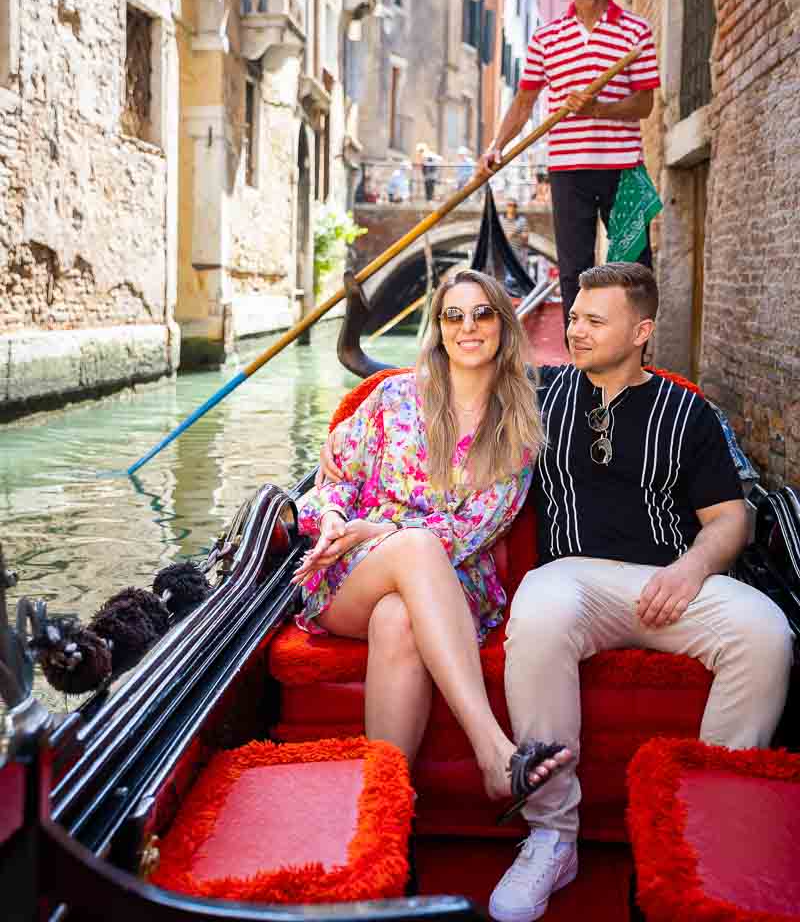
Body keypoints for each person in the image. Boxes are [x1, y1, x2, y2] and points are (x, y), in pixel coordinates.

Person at [319, 262, 793, 921]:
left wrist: (691, 568)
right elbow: (374, 451)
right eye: (572, 318)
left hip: (674, 581)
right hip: (570, 581)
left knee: (768, 631)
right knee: (536, 605)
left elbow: (731, 518)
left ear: (642, 332)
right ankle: (550, 831)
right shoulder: (543, 396)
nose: (575, 330)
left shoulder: (685, 413)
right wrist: (350, 519)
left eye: (595, 321)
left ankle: (709, 827)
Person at [294, 269, 570, 810]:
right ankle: (494, 753)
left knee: (398, 616)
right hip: (353, 573)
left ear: (503, 328)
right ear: (439, 328)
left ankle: (385, 808)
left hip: (455, 584)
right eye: (454, 315)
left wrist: (386, 529)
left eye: (483, 314)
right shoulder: (391, 396)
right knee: (411, 553)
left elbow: (473, 532)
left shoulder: (517, 427)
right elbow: (335, 481)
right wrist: (331, 519)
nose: (468, 327)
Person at [480, 0, 661, 332]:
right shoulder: (547, 38)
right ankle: (579, 366)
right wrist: (496, 147)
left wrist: (601, 109)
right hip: (568, 170)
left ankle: (635, 363)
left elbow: (645, 103)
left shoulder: (636, 31)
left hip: (624, 169)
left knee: (634, 268)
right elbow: (524, 102)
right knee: (574, 270)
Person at [500, 199, 530, 295]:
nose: (511, 208)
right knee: (505, 273)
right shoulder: (501, 220)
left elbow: (526, 238)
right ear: (506, 207)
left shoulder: (522, 221)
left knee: (513, 275)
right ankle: (506, 292)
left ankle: (512, 293)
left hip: (517, 251)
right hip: (503, 252)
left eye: (513, 206)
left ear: (516, 208)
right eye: (509, 205)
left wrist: (514, 234)